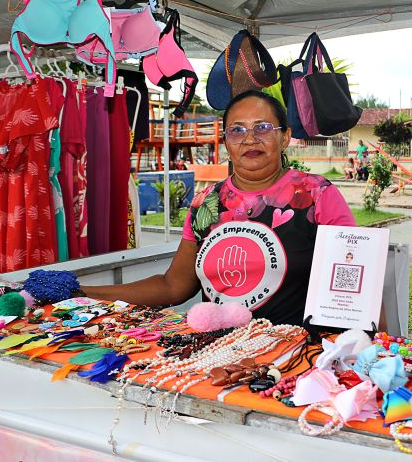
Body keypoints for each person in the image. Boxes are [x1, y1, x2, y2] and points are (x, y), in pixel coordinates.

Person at [83, 91, 356, 325]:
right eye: (237, 130)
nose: (250, 139)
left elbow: (354, 282)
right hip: (217, 355)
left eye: (262, 128)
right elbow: (174, 286)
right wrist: (85, 292)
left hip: (291, 359)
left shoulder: (316, 194)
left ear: (285, 137)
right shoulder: (206, 202)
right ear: (227, 142)